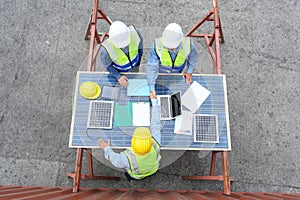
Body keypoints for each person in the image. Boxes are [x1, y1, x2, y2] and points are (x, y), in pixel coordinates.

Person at [98, 92, 161, 180]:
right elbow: (156, 123)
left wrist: (106, 148)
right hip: (153, 170)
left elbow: (115, 160)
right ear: (150, 140)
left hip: (137, 175)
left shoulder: (126, 158)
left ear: (133, 142)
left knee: (129, 176)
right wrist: (154, 102)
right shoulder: (156, 143)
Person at [146, 23, 198, 97]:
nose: (170, 48)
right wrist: (151, 88)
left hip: (177, 73)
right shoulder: (157, 45)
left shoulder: (188, 44)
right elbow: (151, 67)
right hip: (161, 73)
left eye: (173, 47)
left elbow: (193, 57)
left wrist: (189, 71)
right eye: (168, 46)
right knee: (160, 90)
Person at [100, 21, 143, 87]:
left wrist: (138, 62)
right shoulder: (105, 50)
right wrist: (118, 76)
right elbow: (107, 65)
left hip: (135, 66)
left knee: (134, 81)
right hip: (120, 71)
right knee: (121, 87)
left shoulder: (135, 33)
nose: (123, 46)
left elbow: (140, 47)